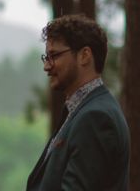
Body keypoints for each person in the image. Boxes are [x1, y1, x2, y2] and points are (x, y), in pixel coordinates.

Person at [26, 14, 130, 191]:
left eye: (54, 55)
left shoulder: (95, 118)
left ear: (84, 56)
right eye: (46, 57)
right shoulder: (83, 110)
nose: (47, 66)